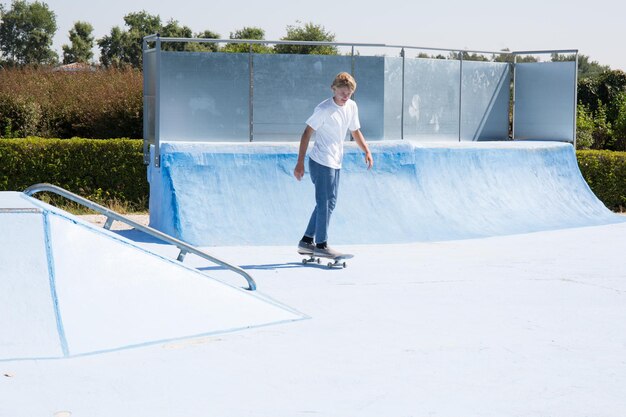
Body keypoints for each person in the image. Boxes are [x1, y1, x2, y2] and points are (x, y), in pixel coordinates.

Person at [294, 72, 374, 258]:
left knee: (328, 203)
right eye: (342, 92)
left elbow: (355, 131)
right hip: (321, 161)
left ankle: (306, 241)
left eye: (349, 93)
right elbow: (306, 133)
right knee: (325, 203)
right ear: (334, 89)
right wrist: (300, 163)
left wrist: (366, 151)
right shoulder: (324, 109)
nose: (345, 96)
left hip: (336, 161)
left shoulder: (351, 106)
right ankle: (321, 245)